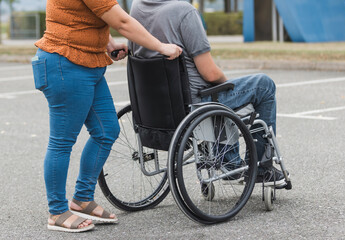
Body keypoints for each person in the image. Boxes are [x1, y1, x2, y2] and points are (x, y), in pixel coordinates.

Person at [32, 0, 182, 233]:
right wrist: (161, 47)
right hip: (64, 63)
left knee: (107, 130)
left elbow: (94, 16)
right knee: (62, 142)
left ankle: (82, 199)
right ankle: (57, 211)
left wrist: (108, 43)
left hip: (88, 63)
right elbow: (122, 21)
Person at [129, 0, 286, 186]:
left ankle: (229, 161)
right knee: (263, 85)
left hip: (160, 105)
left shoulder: (137, 7)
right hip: (195, 101)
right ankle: (261, 169)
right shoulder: (184, 12)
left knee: (220, 93)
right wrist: (226, 85)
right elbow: (210, 73)